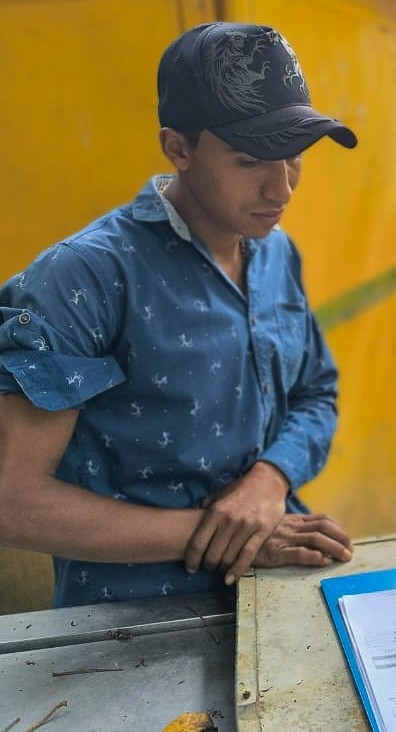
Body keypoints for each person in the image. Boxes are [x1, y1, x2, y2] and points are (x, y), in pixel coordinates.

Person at [0, 22, 357, 607]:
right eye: (250, 160)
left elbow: (317, 393)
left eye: (294, 157)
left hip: (275, 592)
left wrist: (269, 480)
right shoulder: (85, 277)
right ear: (179, 149)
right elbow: (14, 502)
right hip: (131, 619)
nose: (282, 190)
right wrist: (224, 533)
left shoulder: (277, 253)